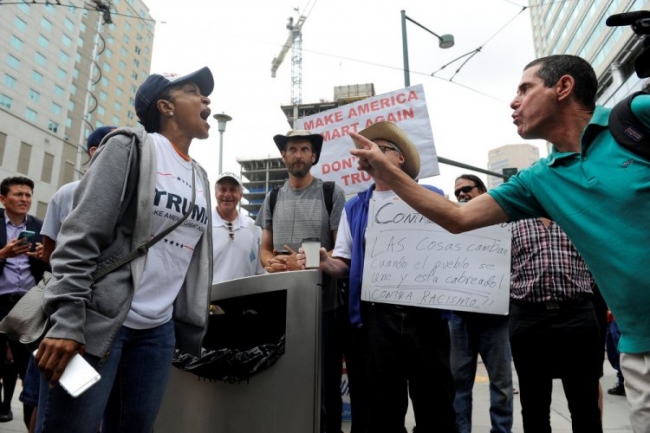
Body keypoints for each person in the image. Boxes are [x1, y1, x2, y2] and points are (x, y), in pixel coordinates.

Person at [349, 54, 650, 431]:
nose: (513, 100)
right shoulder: (538, 180)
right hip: (638, 348)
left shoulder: (636, 118)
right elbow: (457, 218)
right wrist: (388, 171)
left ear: (564, 87)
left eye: (525, 88)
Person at [33, 66, 214, 432]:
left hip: (156, 335)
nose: (206, 99)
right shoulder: (128, 147)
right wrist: (68, 322)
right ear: (165, 106)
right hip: (96, 327)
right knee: (72, 427)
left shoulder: (200, 176)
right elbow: (78, 237)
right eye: (194, 90)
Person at [301, 121, 456, 433]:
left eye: (381, 149)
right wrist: (325, 262)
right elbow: (343, 262)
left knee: (435, 404)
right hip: (375, 320)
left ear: (399, 159)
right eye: (369, 149)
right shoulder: (356, 206)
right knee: (381, 409)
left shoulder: (432, 196)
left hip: (426, 316)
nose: (372, 153)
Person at [19, 126, 116, 433]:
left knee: (84, 399)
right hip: (66, 309)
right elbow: (49, 253)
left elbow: (50, 253)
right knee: (51, 397)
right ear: (94, 152)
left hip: (109, 311)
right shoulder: (69, 192)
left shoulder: (126, 195)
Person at [255, 129, 346, 433]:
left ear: (314, 156)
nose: (297, 154)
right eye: (292, 149)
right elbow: (264, 251)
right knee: (283, 378)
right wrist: (275, 263)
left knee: (326, 383)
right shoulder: (273, 196)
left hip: (324, 306)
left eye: (304, 149)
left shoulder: (331, 192)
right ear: (284, 156)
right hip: (280, 306)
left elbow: (341, 250)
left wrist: (314, 259)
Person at [509, 217, 602, 432]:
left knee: (585, 402)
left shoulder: (577, 217)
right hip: (528, 318)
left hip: (577, 315)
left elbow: (598, 259)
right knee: (534, 404)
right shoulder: (512, 222)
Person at [450, 174, 513, 433]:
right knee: (458, 383)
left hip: (495, 317)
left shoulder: (503, 220)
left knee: (501, 385)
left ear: (482, 190)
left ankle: (501, 430)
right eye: (457, 193)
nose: (462, 195)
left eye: (467, 189)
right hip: (459, 317)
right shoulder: (450, 224)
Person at [0, 176, 47, 426]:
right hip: (0, 302)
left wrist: (45, 256)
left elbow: (55, 265)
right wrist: (3, 254)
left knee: (30, 369)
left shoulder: (40, 227)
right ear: (2, 198)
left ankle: (32, 424)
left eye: (28, 195)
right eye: (18, 194)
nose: (24, 199)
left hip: (29, 306)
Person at [211, 171, 265, 283]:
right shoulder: (204, 224)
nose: (227, 194)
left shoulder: (254, 228)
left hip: (244, 298)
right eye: (223, 189)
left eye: (232, 190)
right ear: (216, 194)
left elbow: (260, 272)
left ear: (240, 195)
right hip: (210, 298)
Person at [606, 310, 625, 397]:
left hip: (619, 316)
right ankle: (622, 382)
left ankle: (625, 382)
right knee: (612, 353)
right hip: (609, 318)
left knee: (621, 351)